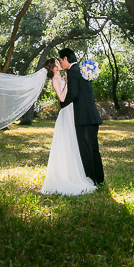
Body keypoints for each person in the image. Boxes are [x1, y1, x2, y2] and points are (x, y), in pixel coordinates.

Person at [39, 58, 97, 196]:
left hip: (73, 111)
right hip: (66, 114)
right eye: (57, 63)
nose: (59, 63)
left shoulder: (63, 78)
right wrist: (67, 84)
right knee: (67, 143)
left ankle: (76, 172)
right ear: (54, 68)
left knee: (74, 143)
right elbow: (62, 98)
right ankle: (66, 176)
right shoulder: (55, 81)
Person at [58, 47, 104, 186]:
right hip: (92, 115)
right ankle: (99, 179)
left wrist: (62, 105)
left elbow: (73, 93)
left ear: (66, 58)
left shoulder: (72, 71)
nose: (60, 63)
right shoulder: (82, 69)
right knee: (94, 149)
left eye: (60, 60)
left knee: (85, 149)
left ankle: (90, 180)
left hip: (83, 117)